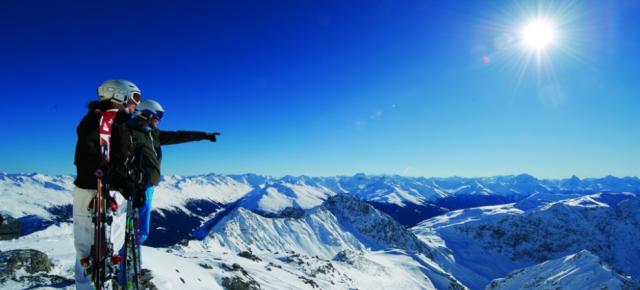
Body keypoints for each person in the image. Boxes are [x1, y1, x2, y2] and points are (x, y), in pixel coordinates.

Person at [127, 99, 218, 262]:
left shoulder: (152, 134)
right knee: (137, 230)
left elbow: (178, 135)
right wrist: (135, 182)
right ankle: (127, 267)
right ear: (146, 114)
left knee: (141, 230)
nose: (159, 120)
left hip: (147, 186)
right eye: (158, 116)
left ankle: (131, 265)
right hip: (137, 187)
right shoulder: (131, 134)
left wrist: (202, 136)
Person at [73, 79, 141, 289]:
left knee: (110, 249)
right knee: (89, 253)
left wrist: (130, 181)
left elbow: (120, 159)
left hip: (112, 193)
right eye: (135, 98)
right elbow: (87, 161)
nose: (136, 104)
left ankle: (106, 283)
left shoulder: (119, 123)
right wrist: (117, 178)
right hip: (93, 192)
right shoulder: (95, 122)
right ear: (119, 95)